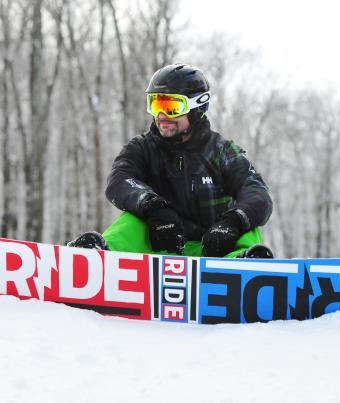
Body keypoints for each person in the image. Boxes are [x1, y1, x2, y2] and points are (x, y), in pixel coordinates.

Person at [68, 63, 274, 258]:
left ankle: (246, 264)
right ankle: (99, 256)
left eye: (172, 108)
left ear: (196, 109)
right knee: (132, 221)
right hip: (161, 246)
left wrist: (233, 221)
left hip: (216, 251)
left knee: (250, 225)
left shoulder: (223, 152)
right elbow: (119, 180)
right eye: (156, 105)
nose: (161, 116)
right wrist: (153, 207)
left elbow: (258, 194)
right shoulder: (142, 148)